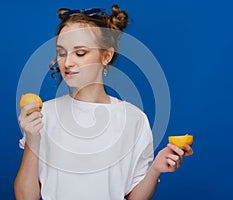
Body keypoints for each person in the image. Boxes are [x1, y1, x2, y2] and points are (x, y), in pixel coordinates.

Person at [14, 5, 193, 200]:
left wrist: (155, 169)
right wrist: (32, 139)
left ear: (106, 56)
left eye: (80, 53)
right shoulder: (44, 115)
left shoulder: (134, 120)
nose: (67, 62)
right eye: (62, 53)